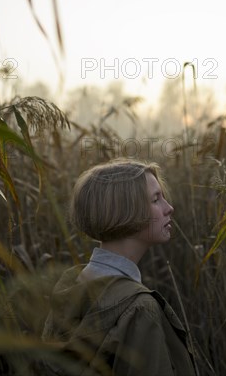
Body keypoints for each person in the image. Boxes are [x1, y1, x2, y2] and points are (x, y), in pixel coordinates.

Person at [41, 158, 197, 376]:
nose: (169, 208)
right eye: (156, 200)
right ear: (127, 212)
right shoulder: (141, 308)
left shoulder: (71, 285)